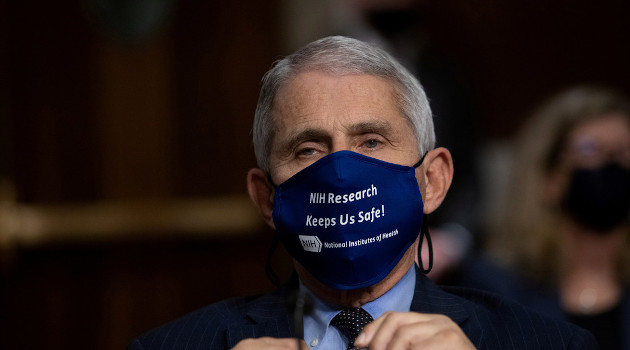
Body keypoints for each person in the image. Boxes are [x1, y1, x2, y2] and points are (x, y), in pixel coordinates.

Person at [127, 36, 597, 349]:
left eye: (371, 142)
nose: (340, 172)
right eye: (309, 149)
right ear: (267, 198)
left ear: (432, 181)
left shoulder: (549, 342)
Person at [487, 86, 630, 350]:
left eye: (624, 152)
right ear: (548, 176)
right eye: (590, 149)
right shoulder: (495, 291)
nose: (611, 164)